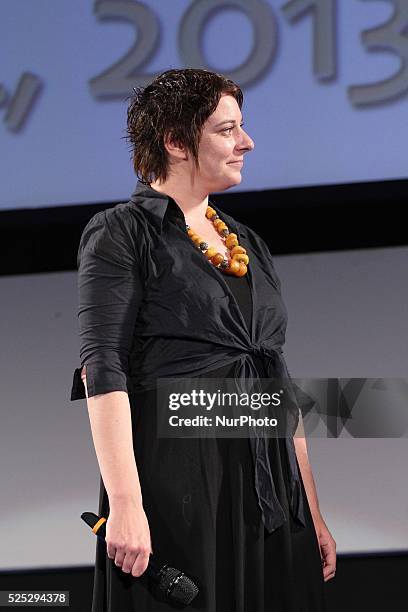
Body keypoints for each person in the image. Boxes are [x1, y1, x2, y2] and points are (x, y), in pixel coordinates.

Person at [70, 68, 336, 611]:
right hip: (181, 486)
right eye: (226, 129)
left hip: (270, 496)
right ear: (174, 141)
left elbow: (277, 387)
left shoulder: (248, 243)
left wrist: (311, 510)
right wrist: (124, 505)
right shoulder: (123, 232)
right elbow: (103, 369)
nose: (246, 142)